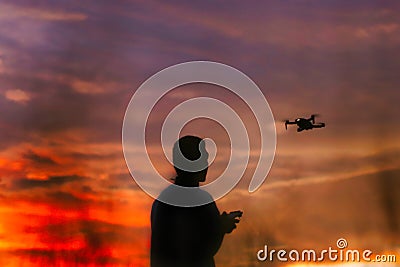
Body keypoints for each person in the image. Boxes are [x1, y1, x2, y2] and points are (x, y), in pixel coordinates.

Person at [150, 135, 242, 267]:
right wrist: (221, 227)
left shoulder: (162, 201)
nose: (206, 163)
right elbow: (200, 252)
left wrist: (218, 226)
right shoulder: (201, 201)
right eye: (203, 158)